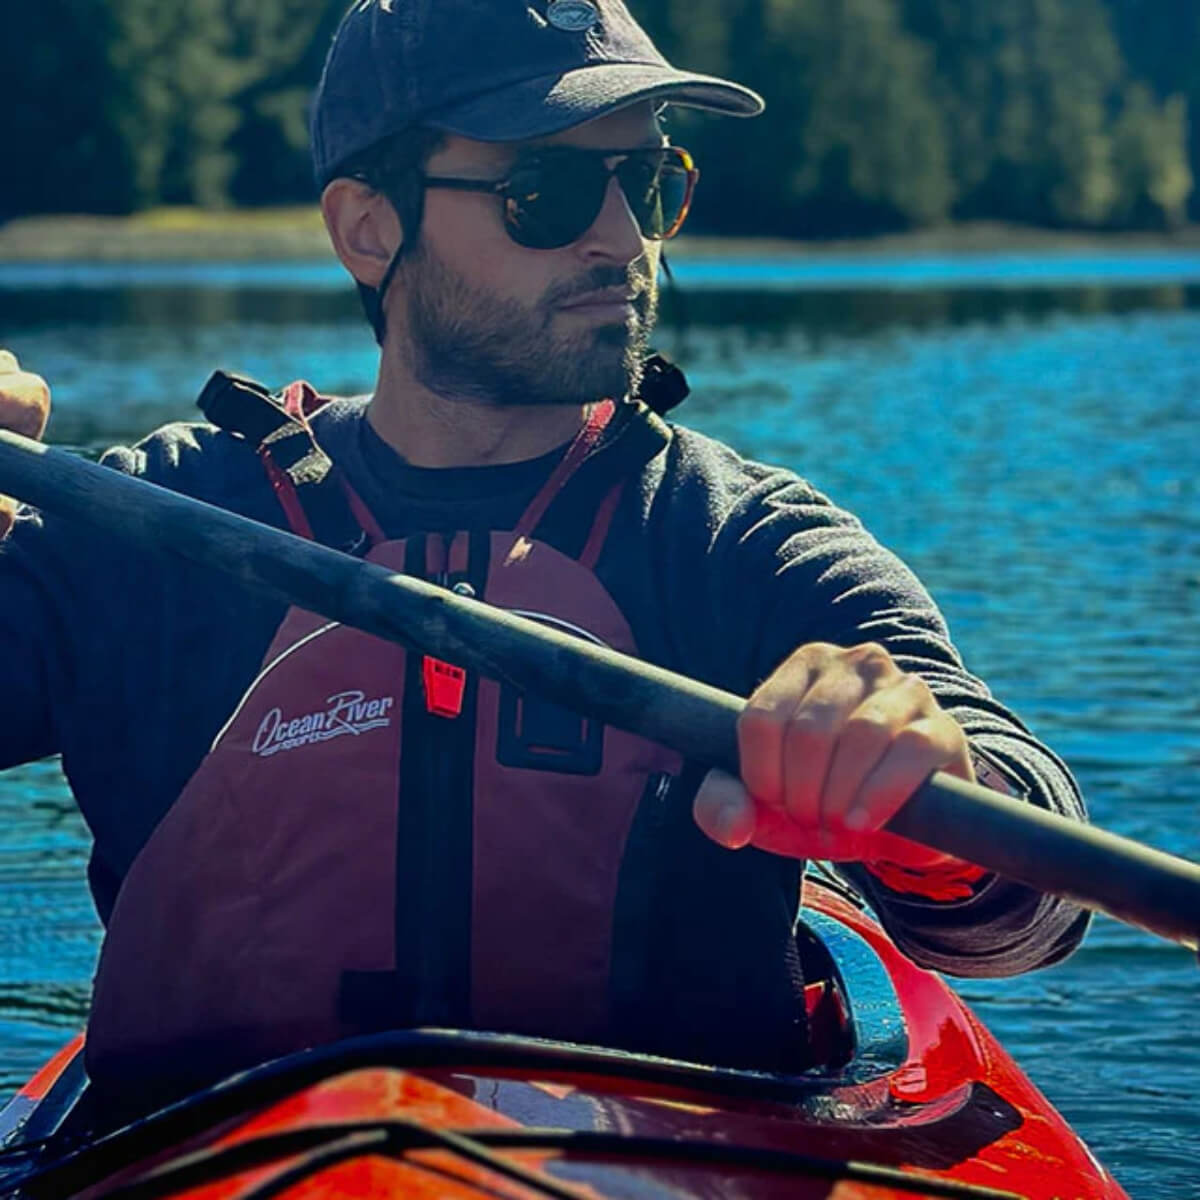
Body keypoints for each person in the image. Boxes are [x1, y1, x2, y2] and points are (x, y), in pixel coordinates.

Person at [0, 0, 1088, 1100]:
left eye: (650, 185)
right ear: (370, 229)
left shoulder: (741, 543)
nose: (621, 238)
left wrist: (927, 789)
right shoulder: (143, 525)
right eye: (549, 193)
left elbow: (1029, 910)